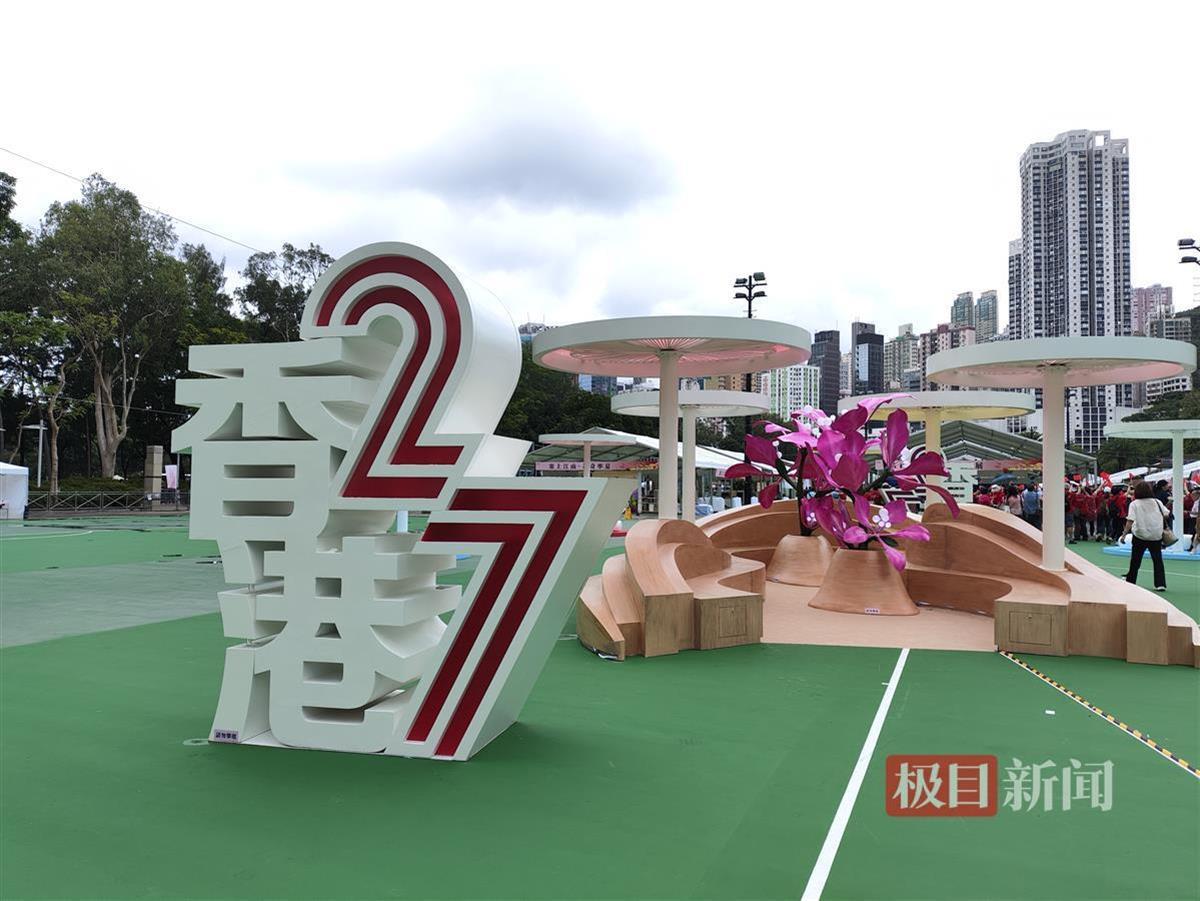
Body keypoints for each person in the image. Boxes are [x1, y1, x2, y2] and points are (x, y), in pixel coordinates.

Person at [1121, 481, 1169, 591]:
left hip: (1140, 534)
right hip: (1155, 534)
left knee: (1135, 560)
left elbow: (1130, 520)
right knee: (1157, 560)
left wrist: (1124, 534)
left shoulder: (1134, 504)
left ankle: (1131, 580)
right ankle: (1160, 584)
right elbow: (1166, 514)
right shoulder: (1157, 502)